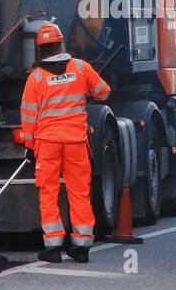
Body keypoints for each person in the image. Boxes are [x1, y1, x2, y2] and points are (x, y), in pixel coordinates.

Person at [19, 23, 110, 263]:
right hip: (76, 142)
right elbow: (104, 92)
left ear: (40, 50)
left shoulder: (36, 78)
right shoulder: (81, 68)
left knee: (48, 192)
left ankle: (52, 247)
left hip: (47, 142)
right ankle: (81, 246)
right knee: (79, 192)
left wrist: (29, 146)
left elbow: (28, 116)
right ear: (61, 43)